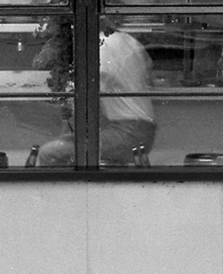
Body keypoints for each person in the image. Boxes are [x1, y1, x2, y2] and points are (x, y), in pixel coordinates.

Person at [38, 19, 156, 166]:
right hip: (142, 131)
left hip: (127, 133)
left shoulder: (100, 46)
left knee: (50, 153)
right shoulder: (127, 40)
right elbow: (149, 76)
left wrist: (63, 134)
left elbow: (88, 105)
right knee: (67, 147)